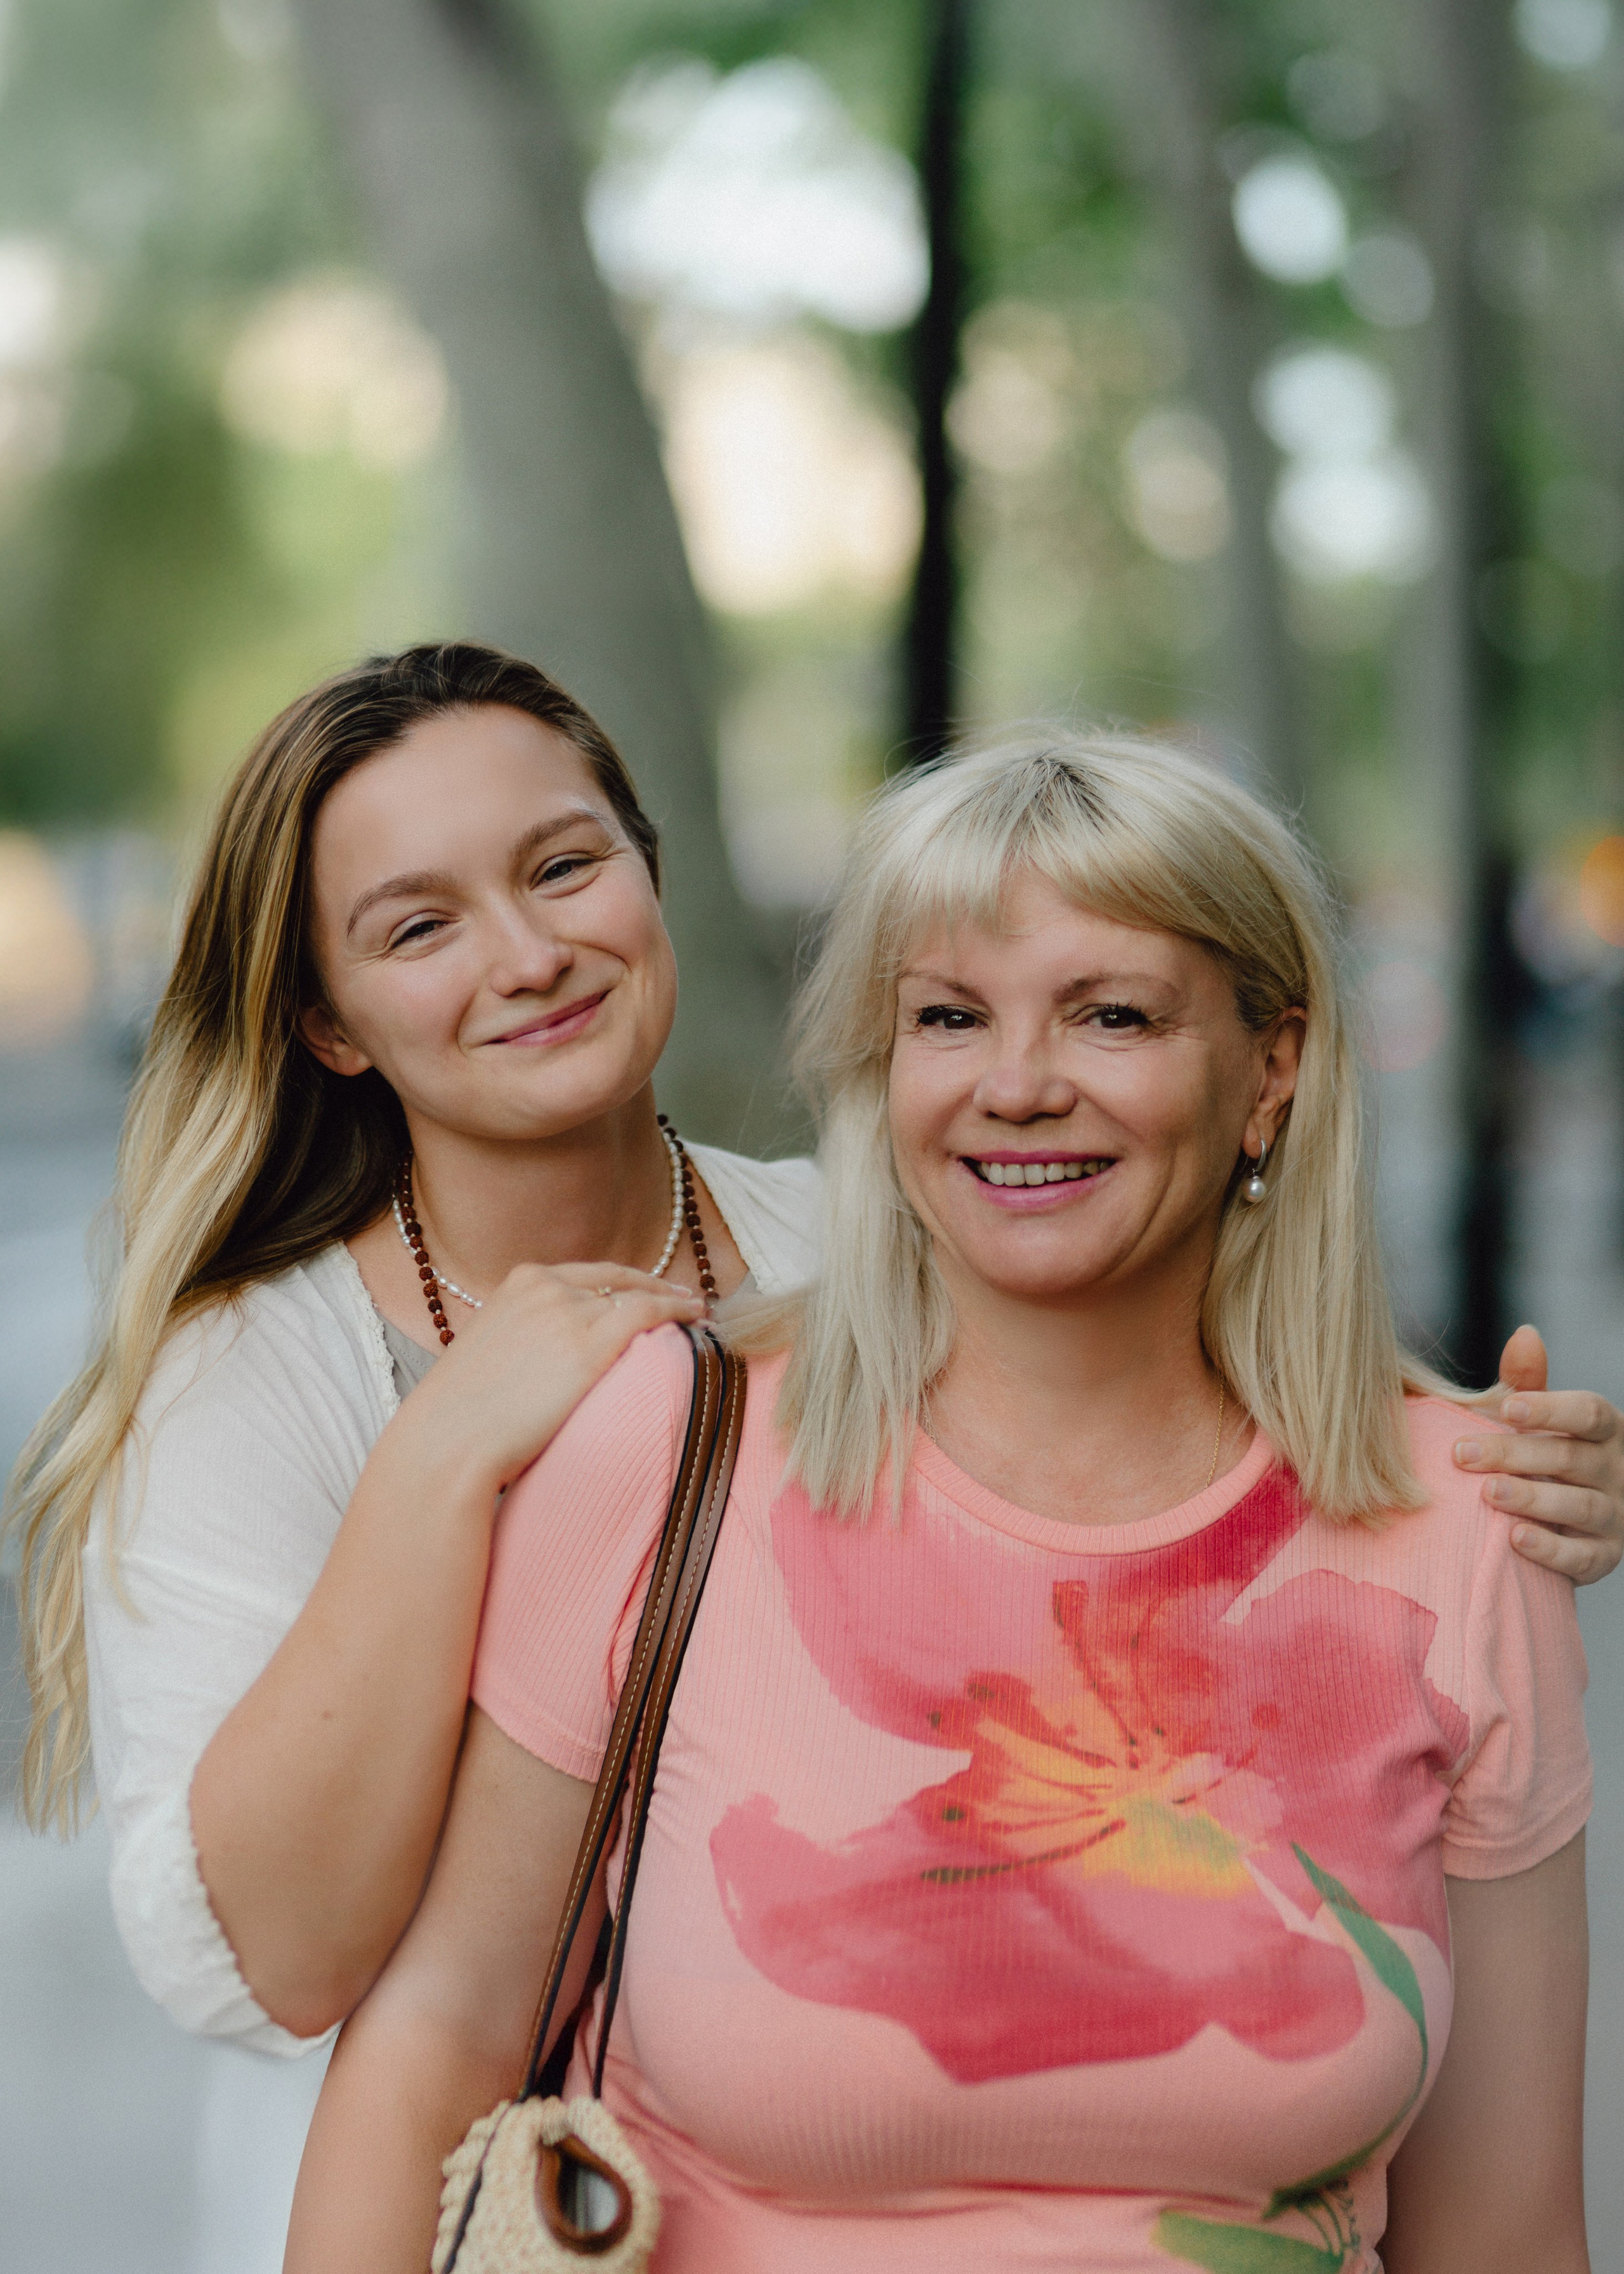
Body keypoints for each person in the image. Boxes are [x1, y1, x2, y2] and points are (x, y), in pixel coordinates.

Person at [6, 653, 1612, 2257]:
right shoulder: (312, 1386)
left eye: (563, 866)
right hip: (492, 2193)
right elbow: (298, 1971)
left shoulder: (855, 1243)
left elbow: (1132, 1348)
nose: (526, 951)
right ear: (330, 1025)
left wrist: (1462, 1477)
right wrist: (442, 1455)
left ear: (650, 871)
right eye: (417, 924)